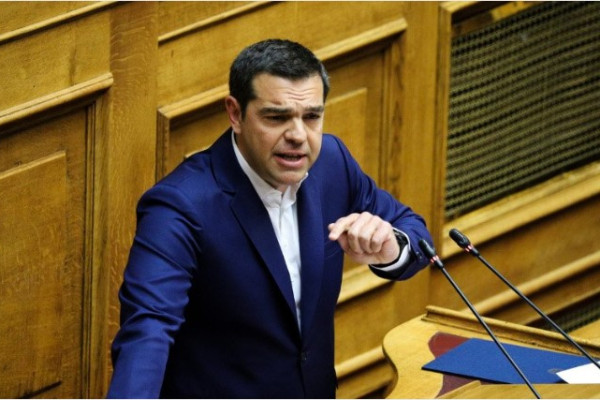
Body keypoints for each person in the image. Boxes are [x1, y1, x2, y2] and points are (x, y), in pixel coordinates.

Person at [107, 39, 433, 399]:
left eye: (312, 117)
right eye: (276, 118)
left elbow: (416, 235)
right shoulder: (180, 205)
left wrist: (391, 248)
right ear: (235, 114)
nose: (298, 136)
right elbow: (148, 329)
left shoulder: (332, 163)